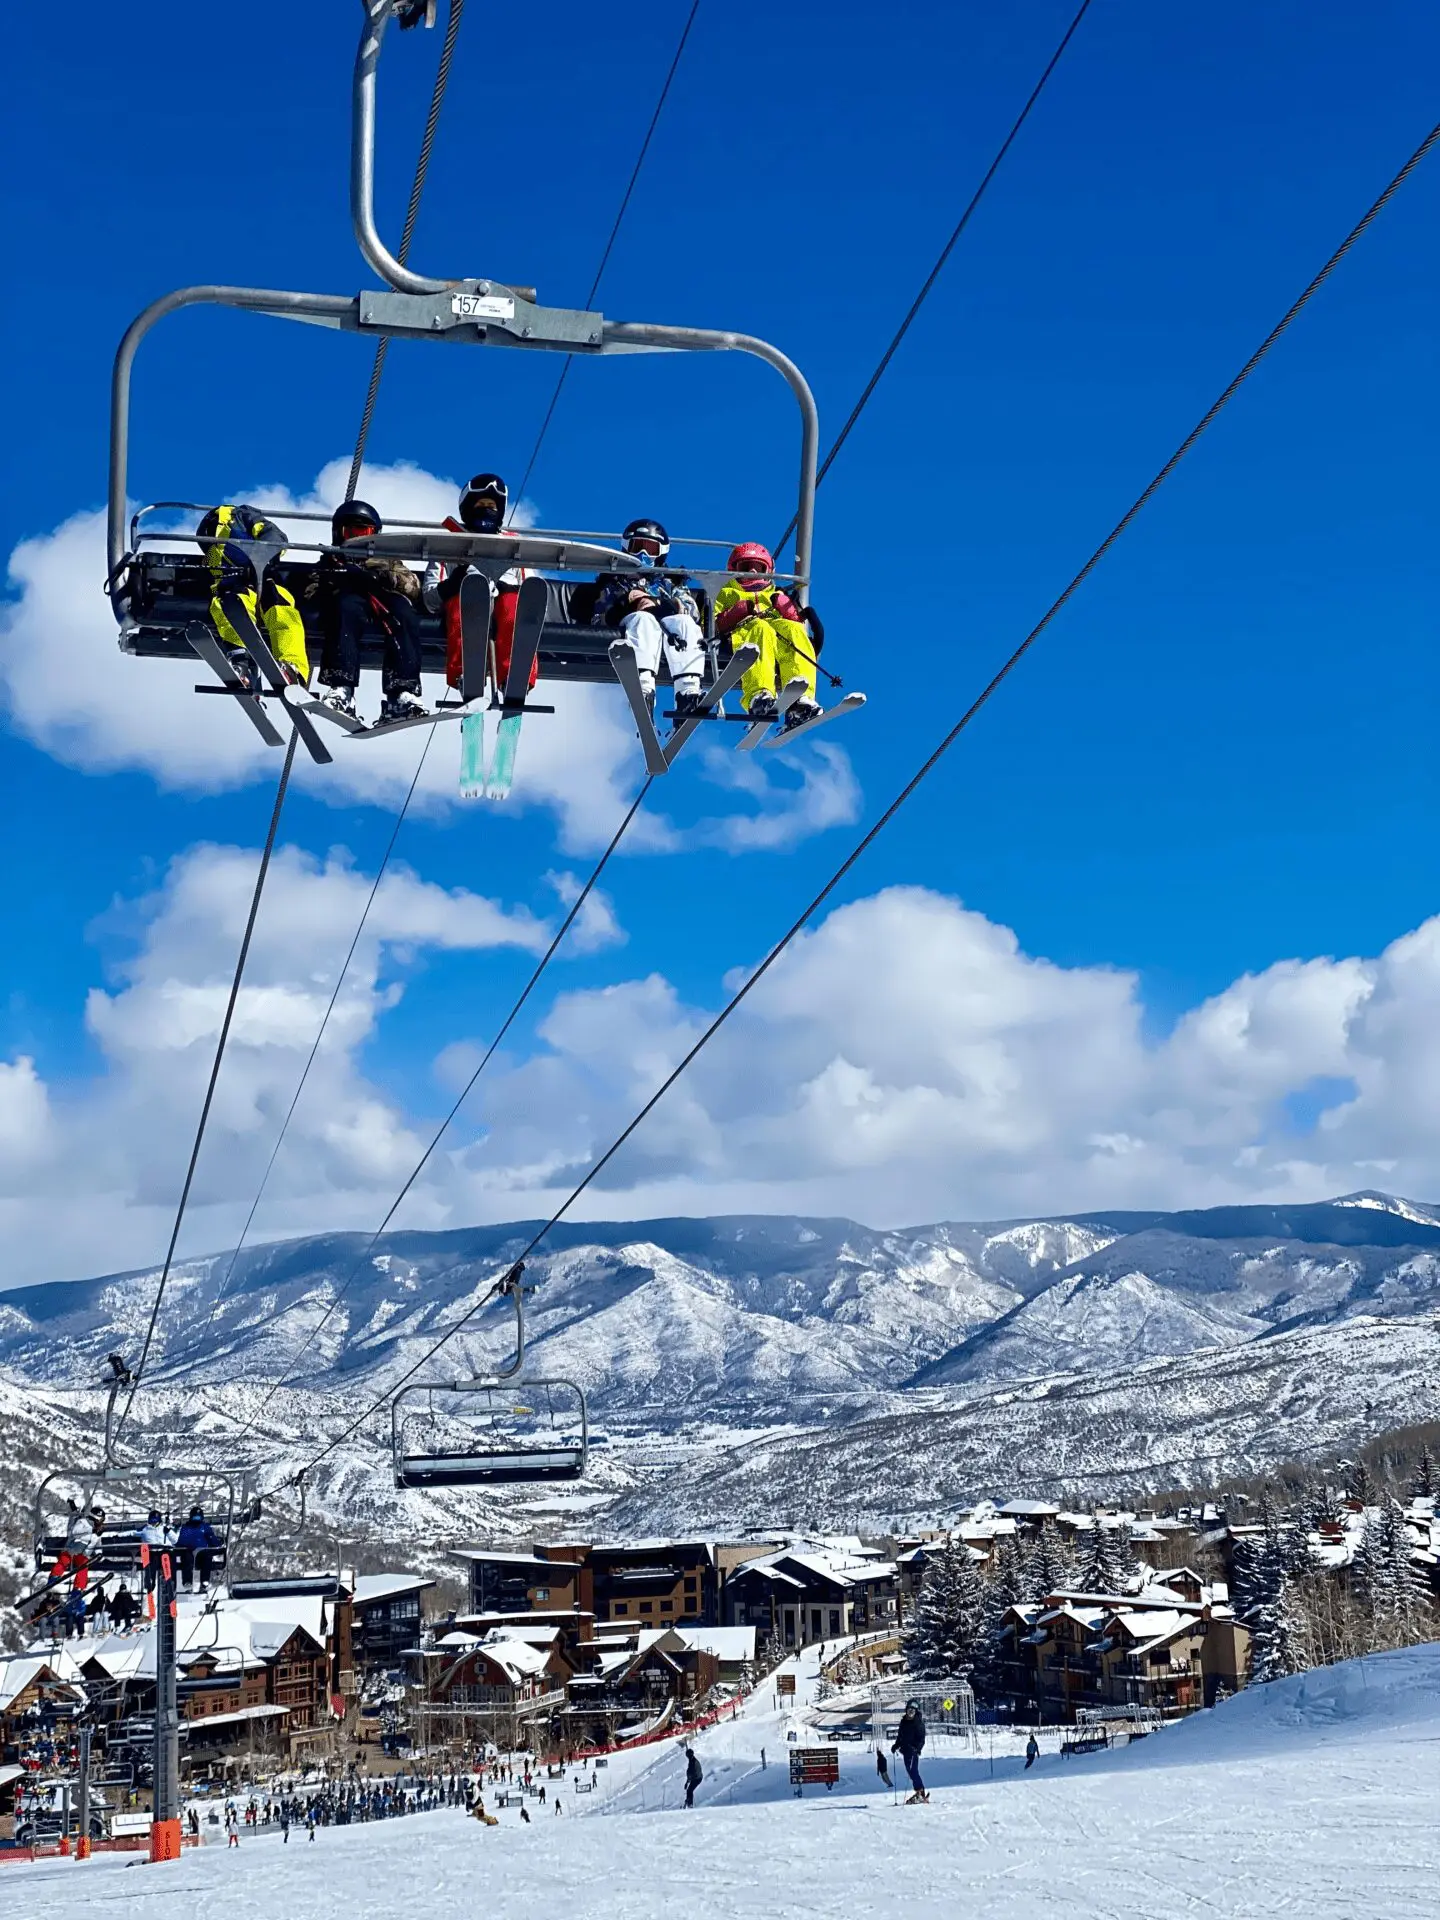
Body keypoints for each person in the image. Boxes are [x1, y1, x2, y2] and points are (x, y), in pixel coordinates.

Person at [308, 500, 428, 724]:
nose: (357, 537)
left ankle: (402, 692)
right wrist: (334, 581)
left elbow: (412, 587)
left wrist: (381, 576)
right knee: (346, 607)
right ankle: (342, 687)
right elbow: (311, 592)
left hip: (384, 602)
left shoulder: (386, 560)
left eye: (364, 531)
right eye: (351, 531)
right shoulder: (331, 561)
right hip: (351, 604)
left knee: (403, 613)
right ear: (339, 533)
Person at [422, 473, 537, 701]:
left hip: (504, 602)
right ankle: (465, 673)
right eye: (481, 505)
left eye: (491, 506)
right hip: (466, 600)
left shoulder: (514, 545)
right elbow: (430, 599)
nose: (487, 510)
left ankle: (515, 676)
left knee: (513, 608)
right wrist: (455, 582)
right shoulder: (449, 545)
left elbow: (531, 593)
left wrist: (506, 586)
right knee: (462, 605)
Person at [593, 519, 707, 717]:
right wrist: (627, 600)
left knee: (685, 623)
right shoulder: (615, 579)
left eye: (650, 549)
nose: (643, 555)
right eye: (637, 547)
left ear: (661, 552)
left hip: (668, 629)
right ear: (627, 548)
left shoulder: (670, 582)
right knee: (644, 620)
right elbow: (600, 614)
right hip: (633, 625)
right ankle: (644, 689)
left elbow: (692, 611)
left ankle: (687, 692)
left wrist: (668, 605)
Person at [197, 504, 310, 692]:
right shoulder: (212, 548)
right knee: (232, 607)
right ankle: (242, 661)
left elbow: (275, 536)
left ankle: (292, 668)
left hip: (263, 579)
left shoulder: (241, 517)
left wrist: (262, 554)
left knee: (283, 613)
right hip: (235, 585)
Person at [712, 543, 825, 726]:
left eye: (759, 568)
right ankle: (759, 695)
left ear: (769, 570)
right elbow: (713, 624)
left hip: (776, 634)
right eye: (746, 568)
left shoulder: (776, 593)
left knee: (794, 630)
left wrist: (787, 611)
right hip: (743, 633)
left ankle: (801, 700)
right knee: (760, 627)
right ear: (735, 570)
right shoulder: (726, 593)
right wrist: (739, 611)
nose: (753, 573)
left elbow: (795, 621)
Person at [174, 1507, 221, 1593]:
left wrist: (214, 1541)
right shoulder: (186, 1528)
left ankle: (204, 1581)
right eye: (195, 1518)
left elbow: (214, 1541)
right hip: (189, 1552)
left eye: (198, 1518)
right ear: (191, 1517)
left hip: (201, 1553)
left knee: (207, 1556)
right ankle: (187, 1581)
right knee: (186, 1557)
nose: (196, 1520)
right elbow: (181, 1541)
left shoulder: (205, 1528)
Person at [891, 1701, 928, 1803]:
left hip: (913, 1751)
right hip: (905, 1750)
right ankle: (919, 1792)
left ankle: (920, 1791)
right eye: (909, 1710)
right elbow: (900, 1736)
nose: (911, 1712)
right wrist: (896, 1745)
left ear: (916, 1711)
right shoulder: (904, 1722)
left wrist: (917, 1748)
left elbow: (921, 1738)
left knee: (913, 1771)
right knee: (910, 1771)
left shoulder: (918, 1722)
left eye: (913, 1710)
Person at [683, 1745, 702, 1810]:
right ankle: (689, 1802)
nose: (687, 1757)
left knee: (689, 1790)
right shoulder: (692, 1760)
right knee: (689, 1790)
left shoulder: (693, 1762)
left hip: (697, 1778)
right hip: (696, 1777)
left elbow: (692, 1773)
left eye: (687, 1756)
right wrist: (687, 1782)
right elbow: (690, 1774)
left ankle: (690, 1804)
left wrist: (688, 1781)